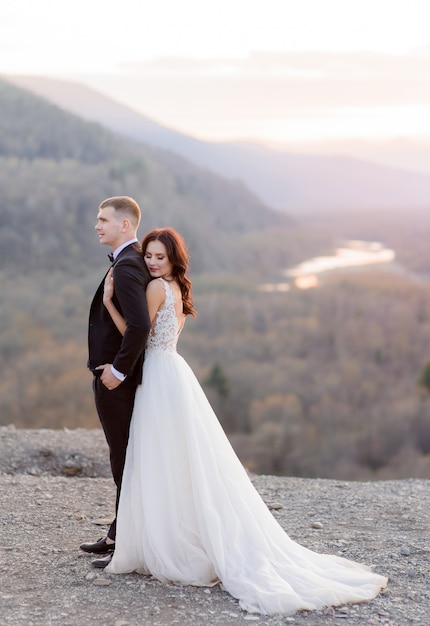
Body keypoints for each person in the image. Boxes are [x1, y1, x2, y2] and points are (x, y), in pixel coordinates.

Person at [101, 227, 387, 615]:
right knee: (180, 458)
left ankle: (169, 542)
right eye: (148, 255)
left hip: (158, 376)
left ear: (172, 261)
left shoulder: (155, 290)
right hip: (174, 374)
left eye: (159, 257)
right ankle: (178, 532)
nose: (151, 262)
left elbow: (137, 338)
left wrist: (111, 304)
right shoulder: (178, 290)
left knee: (159, 457)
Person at [80, 196, 151, 563]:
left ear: (125, 224)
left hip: (117, 380)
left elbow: (140, 325)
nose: (97, 225)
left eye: (104, 219)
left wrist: (118, 371)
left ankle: (127, 543)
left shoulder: (126, 266)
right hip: (118, 376)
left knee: (124, 459)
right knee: (124, 457)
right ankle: (118, 532)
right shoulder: (130, 260)